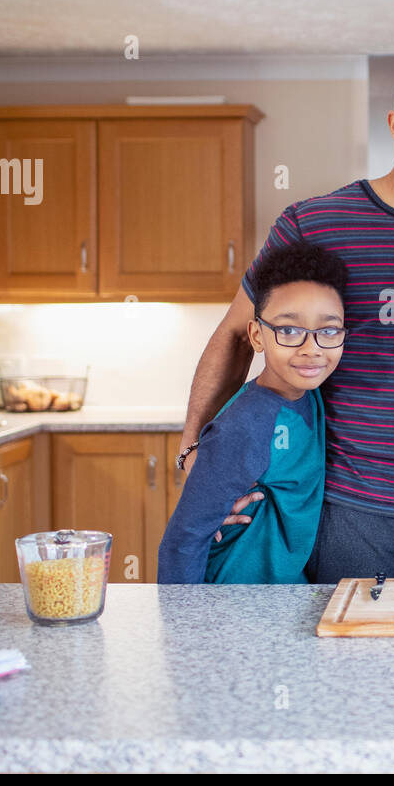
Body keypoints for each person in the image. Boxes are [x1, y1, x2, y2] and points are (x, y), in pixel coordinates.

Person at [178, 56, 394, 583]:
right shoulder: (315, 222)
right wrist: (192, 451)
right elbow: (237, 332)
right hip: (349, 510)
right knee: (351, 662)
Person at [157, 243, 347, 583]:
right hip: (231, 603)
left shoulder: (311, 395)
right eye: (289, 330)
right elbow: (183, 540)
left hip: (281, 596)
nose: (311, 348)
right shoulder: (246, 425)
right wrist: (182, 629)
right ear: (257, 336)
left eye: (328, 330)